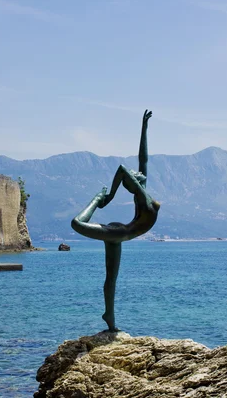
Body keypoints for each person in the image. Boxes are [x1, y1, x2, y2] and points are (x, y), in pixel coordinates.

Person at [71, 109, 160, 331]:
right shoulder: (143, 197)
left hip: (120, 233)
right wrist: (105, 197)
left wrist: (144, 127)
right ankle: (95, 199)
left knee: (111, 279)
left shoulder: (144, 195)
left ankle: (109, 317)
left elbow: (141, 161)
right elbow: (128, 168)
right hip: (119, 233)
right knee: (76, 223)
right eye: (135, 175)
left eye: (136, 175)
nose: (136, 173)